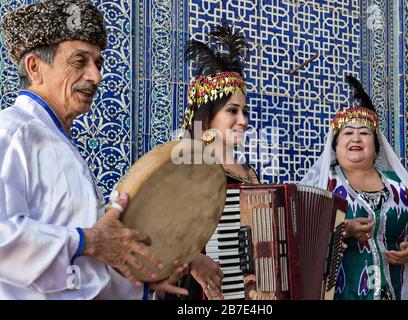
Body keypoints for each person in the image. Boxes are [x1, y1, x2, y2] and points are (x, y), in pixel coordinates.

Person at [0, 0, 188, 299]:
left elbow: (78, 275)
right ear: (35, 68)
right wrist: (87, 241)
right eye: (80, 61)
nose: (95, 76)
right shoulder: (9, 132)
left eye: (98, 63)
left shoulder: (59, 143)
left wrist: (142, 289)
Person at [300, 76, 408, 300]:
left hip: (398, 292)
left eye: (364, 133)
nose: (356, 138)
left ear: (376, 147)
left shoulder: (402, 186)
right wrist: (343, 230)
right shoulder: (321, 185)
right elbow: (299, 235)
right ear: (335, 147)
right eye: (347, 133)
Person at [172, 23, 259, 300]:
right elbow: (165, 232)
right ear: (206, 118)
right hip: (199, 290)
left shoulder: (250, 173)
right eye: (232, 111)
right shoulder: (189, 168)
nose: (243, 121)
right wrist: (194, 258)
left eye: (244, 111)